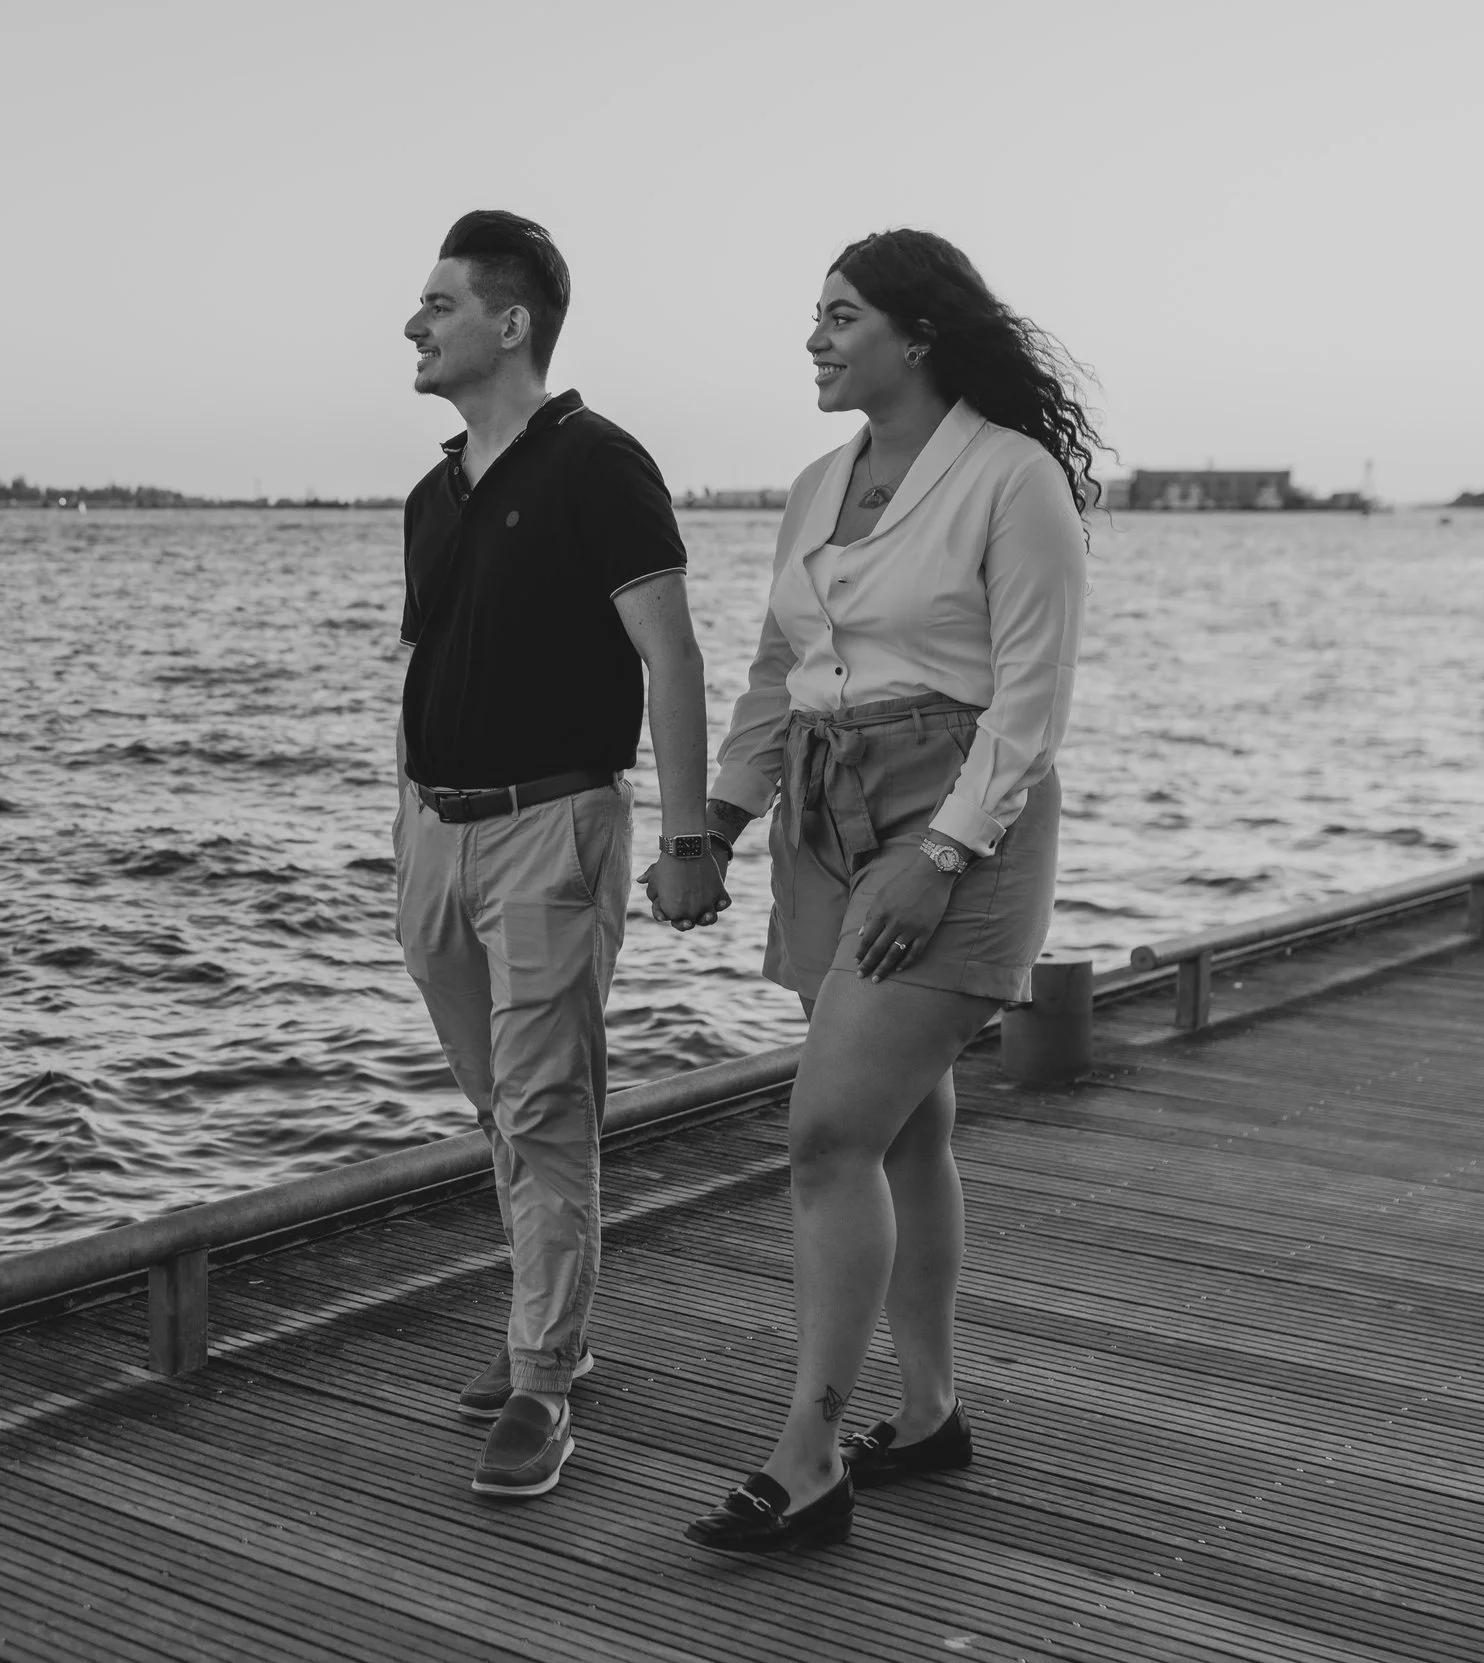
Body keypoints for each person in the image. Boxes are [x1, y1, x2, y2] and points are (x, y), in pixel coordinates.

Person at [675, 228, 1099, 1551]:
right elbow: (772, 665)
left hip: (955, 814)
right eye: (814, 314)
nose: (813, 337)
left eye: (840, 316)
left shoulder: (1011, 478)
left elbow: (1030, 703)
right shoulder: (816, 483)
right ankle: (927, 1414)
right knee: (906, 1127)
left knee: (828, 1135)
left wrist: (944, 852)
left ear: (916, 336)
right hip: (824, 813)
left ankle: (808, 1453)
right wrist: (714, 820)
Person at [395, 209, 724, 1500]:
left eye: (437, 304)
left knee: (543, 1107)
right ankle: (549, 1314)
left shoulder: (596, 464)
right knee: (500, 1105)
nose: (414, 325)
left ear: (511, 320)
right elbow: (423, 667)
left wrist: (690, 837)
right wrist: (404, 830)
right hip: (437, 832)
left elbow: (674, 658)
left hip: (553, 824)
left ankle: (542, 1379)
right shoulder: (433, 493)